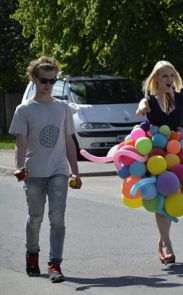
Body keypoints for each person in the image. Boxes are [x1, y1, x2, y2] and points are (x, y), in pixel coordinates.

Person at [9, 56, 82, 283]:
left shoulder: (62, 108)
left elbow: (70, 142)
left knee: (57, 217)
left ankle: (54, 264)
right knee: (35, 217)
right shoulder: (24, 110)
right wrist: (19, 168)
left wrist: (75, 172)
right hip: (33, 174)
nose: (48, 85)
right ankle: (32, 255)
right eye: (43, 80)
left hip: (58, 171)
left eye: (52, 81)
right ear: (34, 79)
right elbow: (20, 144)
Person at [136, 60, 183, 264]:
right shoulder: (149, 100)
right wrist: (141, 108)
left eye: (171, 75)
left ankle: (162, 241)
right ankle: (167, 245)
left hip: (177, 155)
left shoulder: (182, 98)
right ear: (156, 78)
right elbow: (142, 106)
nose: (168, 79)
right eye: (164, 76)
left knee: (172, 196)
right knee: (160, 199)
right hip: (156, 156)